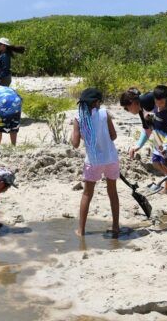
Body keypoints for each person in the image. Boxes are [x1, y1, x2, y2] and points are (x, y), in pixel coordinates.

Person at [71, 88, 120, 238]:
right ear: (97, 102)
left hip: (93, 161)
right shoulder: (105, 114)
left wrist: (79, 133)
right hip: (111, 158)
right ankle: (116, 226)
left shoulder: (79, 118)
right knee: (113, 192)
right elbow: (114, 136)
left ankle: (81, 230)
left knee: (87, 193)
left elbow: (75, 144)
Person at [122, 86, 167, 194]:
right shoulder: (142, 110)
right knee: (156, 162)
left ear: (132, 103)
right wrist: (138, 145)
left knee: (165, 162)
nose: (127, 111)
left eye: (127, 108)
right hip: (159, 137)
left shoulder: (146, 101)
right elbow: (147, 129)